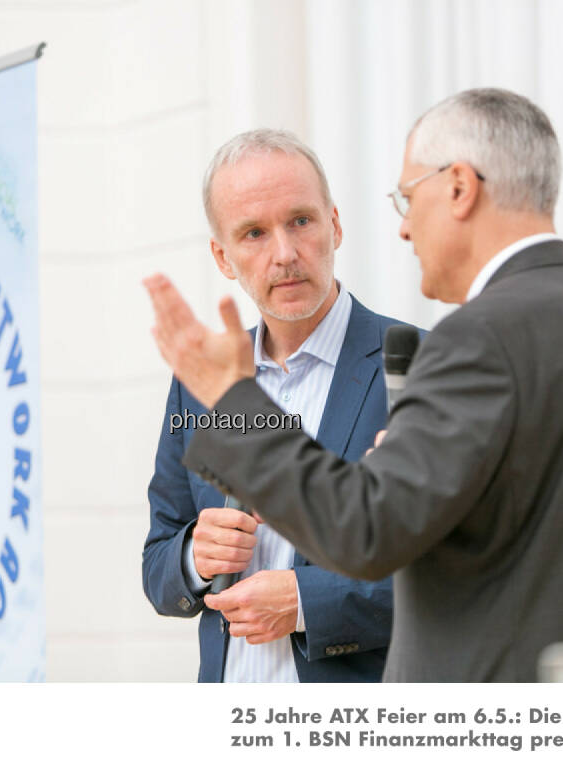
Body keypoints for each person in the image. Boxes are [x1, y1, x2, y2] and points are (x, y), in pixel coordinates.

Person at [143, 89, 563, 682]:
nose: (402, 229)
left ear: (459, 189)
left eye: (407, 198)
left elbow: (367, 530)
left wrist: (236, 402)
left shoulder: (467, 344)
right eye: (253, 234)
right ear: (224, 255)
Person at [142, 129, 416, 682]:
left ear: (334, 225)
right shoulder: (200, 382)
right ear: (223, 256)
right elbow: (157, 566)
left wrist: (305, 602)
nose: (285, 254)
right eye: (253, 233)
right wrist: (195, 555)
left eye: (301, 221)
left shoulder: (419, 365)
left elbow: (453, 571)